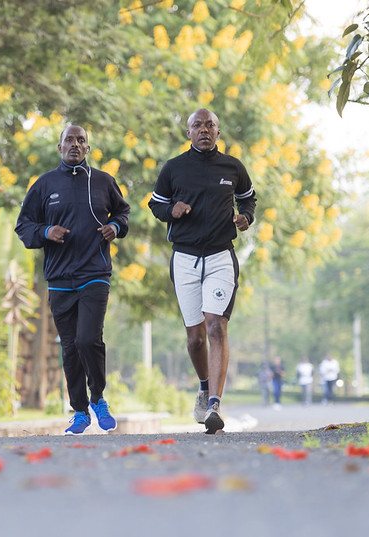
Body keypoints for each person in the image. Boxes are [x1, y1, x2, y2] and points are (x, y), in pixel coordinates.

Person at [16, 125, 130, 435]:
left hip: (95, 274)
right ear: (60, 147)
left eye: (81, 140)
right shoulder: (44, 184)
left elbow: (123, 213)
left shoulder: (104, 181)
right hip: (59, 278)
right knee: (69, 347)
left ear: (88, 148)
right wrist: (45, 232)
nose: (75, 145)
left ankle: (99, 398)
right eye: (69, 140)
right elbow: (24, 226)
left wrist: (115, 228)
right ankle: (79, 411)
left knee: (87, 339)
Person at [148, 108, 256, 434]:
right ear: (189, 133)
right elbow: (155, 204)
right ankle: (204, 386)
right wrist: (172, 210)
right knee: (195, 338)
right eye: (197, 125)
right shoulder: (174, 168)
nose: (204, 129)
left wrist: (246, 217)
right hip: (184, 257)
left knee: (215, 326)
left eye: (210, 125)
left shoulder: (233, 167)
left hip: (221, 255)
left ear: (218, 132)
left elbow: (248, 199)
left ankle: (215, 406)